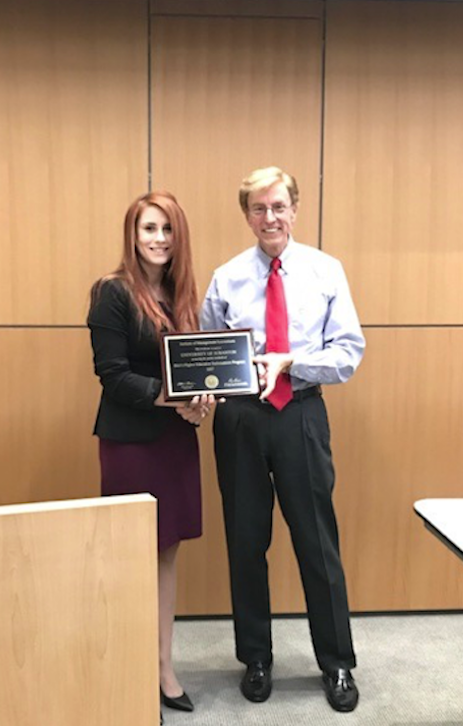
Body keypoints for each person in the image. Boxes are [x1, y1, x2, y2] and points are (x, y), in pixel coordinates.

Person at [199, 166, 366, 713]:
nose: (269, 218)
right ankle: (256, 658)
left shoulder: (325, 271)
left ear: (295, 209)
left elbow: (348, 353)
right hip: (241, 420)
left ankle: (337, 662)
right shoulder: (226, 277)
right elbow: (206, 350)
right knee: (246, 543)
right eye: (257, 209)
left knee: (317, 541)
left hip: (300, 413)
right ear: (246, 215)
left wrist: (294, 361)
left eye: (278, 207)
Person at [88, 191, 217, 719]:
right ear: (132, 234)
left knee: (167, 554)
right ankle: (127, 672)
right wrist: (172, 399)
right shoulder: (112, 292)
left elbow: (194, 372)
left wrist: (201, 402)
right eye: (148, 228)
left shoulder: (182, 295)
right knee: (132, 556)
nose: (159, 239)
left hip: (173, 441)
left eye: (167, 228)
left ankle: (163, 669)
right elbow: (112, 375)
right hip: (131, 444)